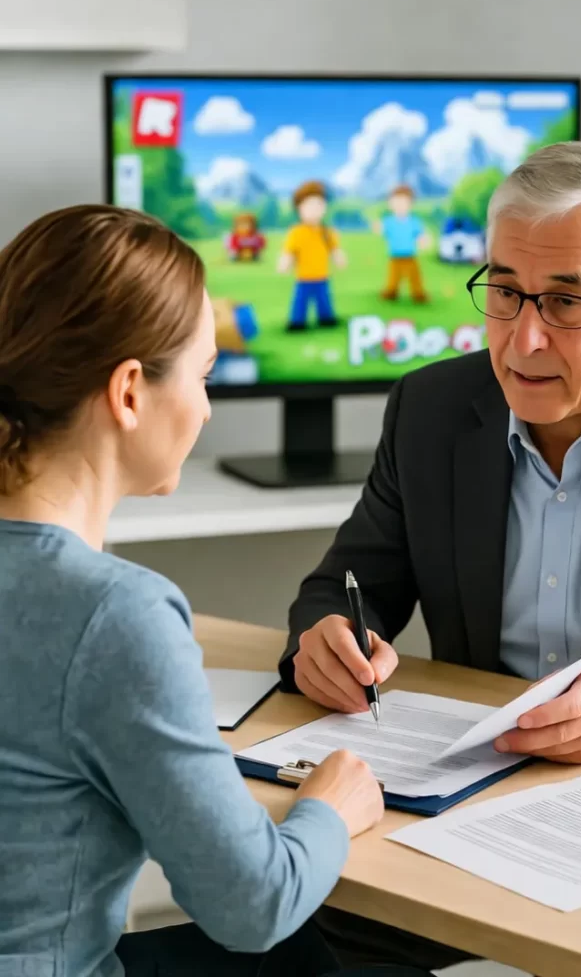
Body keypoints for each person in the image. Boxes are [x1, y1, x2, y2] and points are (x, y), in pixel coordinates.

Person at [280, 141, 581, 970]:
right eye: (505, 292)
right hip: (462, 810)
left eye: (565, 302)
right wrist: (328, 636)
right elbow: (345, 585)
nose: (525, 340)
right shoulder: (431, 408)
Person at [0, 205, 431, 977]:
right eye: (202, 376)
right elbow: (251, 907)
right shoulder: (113, 613)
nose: (203, 407)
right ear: (129, 392)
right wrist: (331, 809)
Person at [278, 180, 347, 331]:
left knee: (324, 299)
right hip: (303, 277)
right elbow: (289, 251)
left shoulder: (327, 232)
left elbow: (334, 249)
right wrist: (285, 263)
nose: (315, 210)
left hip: (322, 276)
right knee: (300, 301)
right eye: (309, 206)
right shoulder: (296, 232)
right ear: (299, 208)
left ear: (325, 207)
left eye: (319, 205)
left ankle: (326, 318)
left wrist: (339, 259)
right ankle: (297, 321)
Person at [373, 185, 431, 303]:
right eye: (397, 202)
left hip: (410, 256)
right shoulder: (389, 221)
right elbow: (381, 230)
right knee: (393, 276)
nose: (400, 206)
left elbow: (420, 234)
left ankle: (418, 293)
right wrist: (377, 227)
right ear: (390, 204)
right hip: (395, 256)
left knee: (415, 276)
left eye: (404, 203)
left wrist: (423, 240)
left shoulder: (414, 221)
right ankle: (391, 291)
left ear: (410, 204)